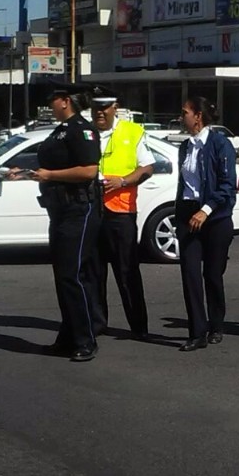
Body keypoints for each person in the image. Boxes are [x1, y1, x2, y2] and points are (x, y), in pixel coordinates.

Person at [11, 82, 102, 362]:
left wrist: (49, 176)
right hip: (60, 208)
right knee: (64, 276)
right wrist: (26, 173)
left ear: (65, 101)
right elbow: (51, 167)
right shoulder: (61, 131)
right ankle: (68, 337)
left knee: (72, 275)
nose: (50, 105)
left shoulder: (82, 129)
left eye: (53, 100)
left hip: (79, 208)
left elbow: (89, 170)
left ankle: (86, 340)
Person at [90, 86, 155, 340]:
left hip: (121, 212)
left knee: (127, 271)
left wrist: (124, 181)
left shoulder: (132, 132)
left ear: (114, 107)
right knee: (94, 272)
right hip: (92, 211)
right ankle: (97, 323)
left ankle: (139, 326)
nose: (99, 113)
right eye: (95, 108)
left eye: (104, 108)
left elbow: (147, 167)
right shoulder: (86, 133)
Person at [174, 96, 237, 352]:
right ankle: (197, 332)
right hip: (188, 214)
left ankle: (216, 324)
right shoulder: (185, 147)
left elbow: (227, 185)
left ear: (198, 116)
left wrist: (206, 210)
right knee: (189, 273)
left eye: (185, 112)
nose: (182, 117)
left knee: (212, 274)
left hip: (216, 216)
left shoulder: (220, 144)